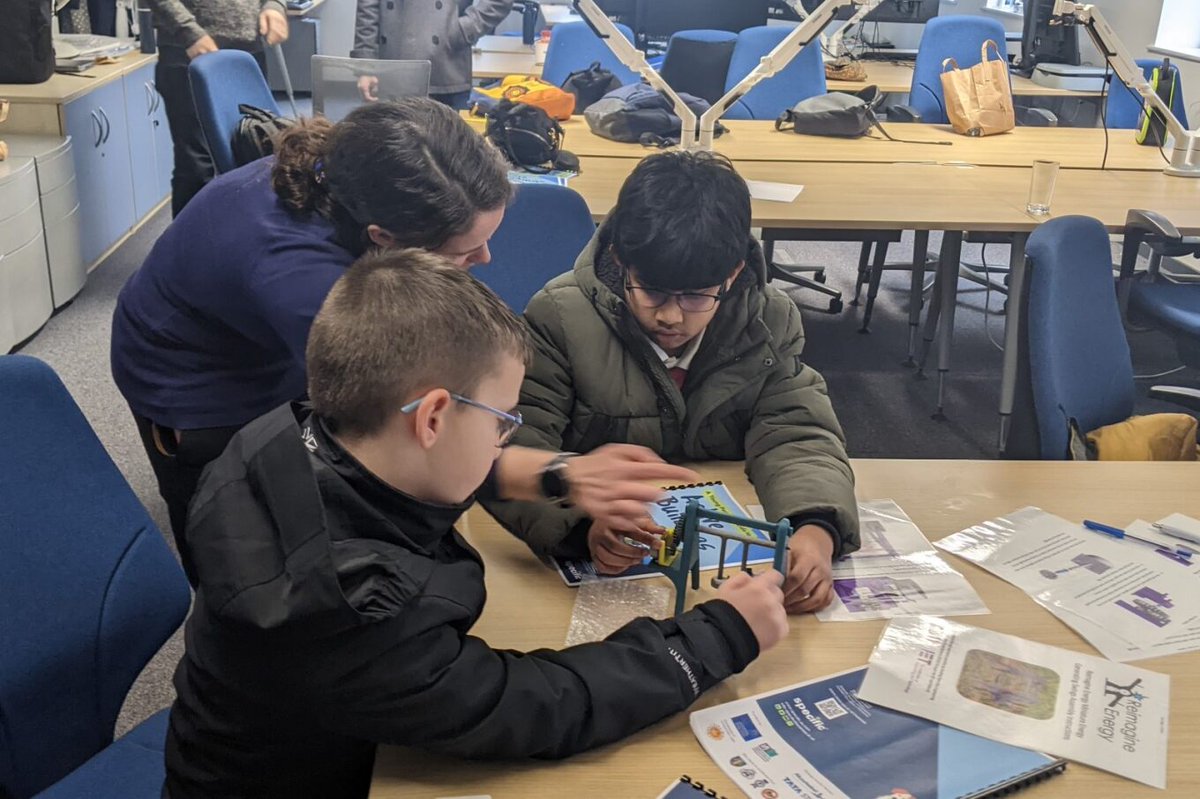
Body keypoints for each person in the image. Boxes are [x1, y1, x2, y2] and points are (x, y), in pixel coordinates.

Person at [163, 250, 790, 798]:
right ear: (433, 417)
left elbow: (410, 473)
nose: (505, 439)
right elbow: (536, 706)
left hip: (266, 742)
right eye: (503, 422)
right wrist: (719, 635)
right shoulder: (352, 612)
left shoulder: (283, 437)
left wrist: (556, 476)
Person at [111, 98, 688, 579]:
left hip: (253, 323)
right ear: (382, 238)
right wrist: (557, 475)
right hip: (194, 387)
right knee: (240, 548)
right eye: (465, 251)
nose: (486, 260)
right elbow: (399, 434)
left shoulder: (355, 175)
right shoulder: (301, 279)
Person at [481, 151, 861, 614]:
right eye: (653, 291)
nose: (670, 315)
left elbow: (797, 433)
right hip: (616, 561)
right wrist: (582, 528)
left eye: (698, 296)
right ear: (621, 262)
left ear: (734, 273)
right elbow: (514, 447)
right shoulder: (559, 316)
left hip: (720, 575)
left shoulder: (766, 320)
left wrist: (816, 527)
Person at [143, 0, 289, 215]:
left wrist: (274, 6)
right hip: (189, 51)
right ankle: (189, 246)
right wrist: (188, 32)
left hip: (248, 51)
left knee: (256, 154)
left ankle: (252, 240)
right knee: (197, 167)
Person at [351, 0, 512, 109]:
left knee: (447, 151)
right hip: (393, 66)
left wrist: (464, 30)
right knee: (393, 149)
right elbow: (368, 6)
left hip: (446, 64)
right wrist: (366, 65)